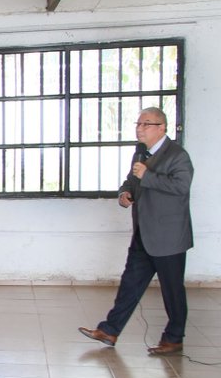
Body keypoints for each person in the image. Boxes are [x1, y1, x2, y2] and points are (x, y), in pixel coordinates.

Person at [79, 107, 194, 355]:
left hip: (168, 237)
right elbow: (131, 180)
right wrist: (124, 193)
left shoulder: (177, 155)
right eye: (138, 124)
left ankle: (174, 338)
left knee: (172, 290)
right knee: (130, 284)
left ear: (162, 128)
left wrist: (148, 176)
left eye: (146, 124)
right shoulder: (141, 153)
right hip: (144, 233)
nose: (139, 129)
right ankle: (109, 330)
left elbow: (181, 187)